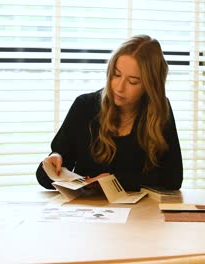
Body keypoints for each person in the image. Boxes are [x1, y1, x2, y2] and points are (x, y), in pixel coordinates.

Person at [36, 34, 183, 192]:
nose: (119, 87)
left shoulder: (159, 110)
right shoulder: (84, 106)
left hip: (138, 214)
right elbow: (44, 177)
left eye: (133, 81)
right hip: (86, 212)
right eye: (116, 75)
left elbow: (172, 179)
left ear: (150, 85)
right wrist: (54, 160)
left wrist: (113, 181)